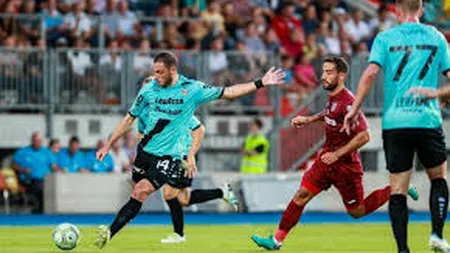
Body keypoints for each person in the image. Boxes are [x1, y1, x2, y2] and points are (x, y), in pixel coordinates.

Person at [94, 51, 285, 248]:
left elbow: (227, 92)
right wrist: (108, 145)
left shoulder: (191, 89)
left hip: (171, 157)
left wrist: (260, 83)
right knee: (150, 194)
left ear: (172, 70)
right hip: (144, 153)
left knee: (147, 192)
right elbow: (129, 119)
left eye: (160, 72)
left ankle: (110, 232)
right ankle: (214, 198)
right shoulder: (148, 91)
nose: (156, 77)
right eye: (154, 72)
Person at [251, 56, 419, 250]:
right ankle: (276, 240)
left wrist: (338, 154)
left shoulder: (349, 103)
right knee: (301, 195)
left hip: (345, 166)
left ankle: (398, 189)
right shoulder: (333, 99)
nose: (323, 76)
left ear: (341, 76)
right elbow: (330, 114)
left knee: (357, 211)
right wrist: (309, 119)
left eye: (329, 72)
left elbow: (364, 136)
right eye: (323, 71)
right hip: (326, 160)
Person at [342, 0, 450, 252]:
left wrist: (355, 107)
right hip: (427, 121)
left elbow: (369, 74)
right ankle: (436, 234)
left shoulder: (385, 38)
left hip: (395, 123)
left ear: (396, 11)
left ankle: (402, 249)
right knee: (438, 179)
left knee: (398, 189)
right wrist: (436, 94)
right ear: (421, 10)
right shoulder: (436, 36)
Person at [136, 78, 239, 244]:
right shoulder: (145, 113)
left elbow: (199, 128)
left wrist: (189, 155)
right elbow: (144, 137)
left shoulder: (171, 107)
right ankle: (222, 192)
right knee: (183, 199)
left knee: (169, 193)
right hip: (169, 155)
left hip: (181, 154)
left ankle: (179, 234)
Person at [12, 132, 59, 213]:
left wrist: (61, 171)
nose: (38, 143)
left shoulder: (47, 152)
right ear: (32, 140)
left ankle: (46, 209)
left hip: (46, 180)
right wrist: (23, 170)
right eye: (36, 141)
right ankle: (40, 209)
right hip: (29, 180)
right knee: (39, 185)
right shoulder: (23, 152)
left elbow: (54, 166)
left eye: (39, 141)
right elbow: (13, 165)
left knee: (51, 185)